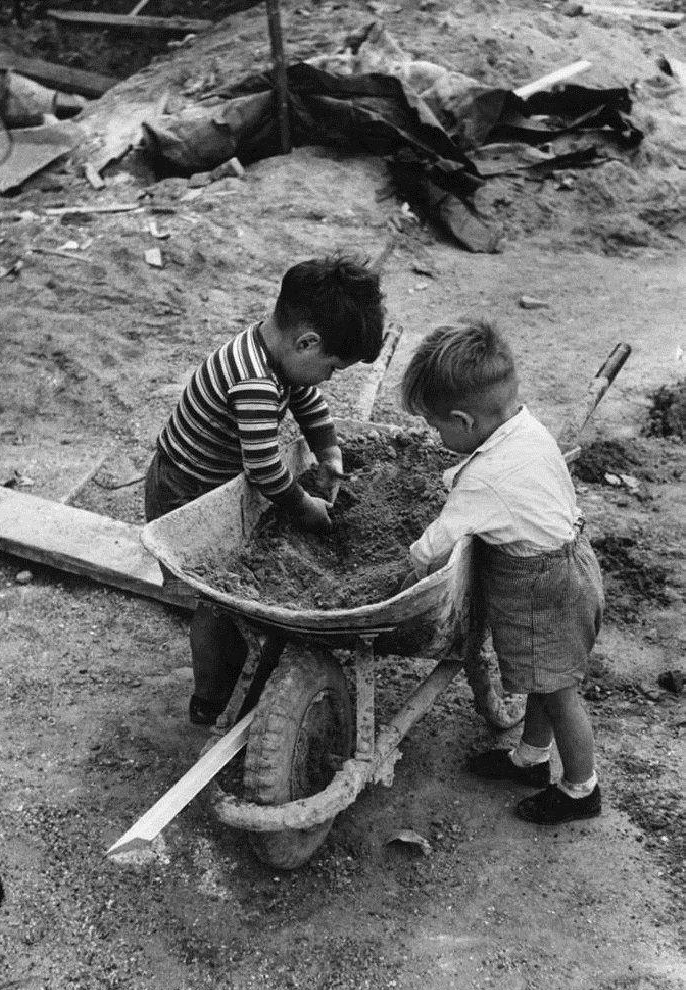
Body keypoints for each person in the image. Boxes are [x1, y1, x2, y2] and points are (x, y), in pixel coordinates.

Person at [145, 254, 386, 727]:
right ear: (307, 342)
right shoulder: (254, 380)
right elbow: (264, 470)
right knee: (216, 604)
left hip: (212, 475)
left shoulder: (275, 352)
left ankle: (236, 650)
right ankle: (211, 700)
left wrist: (329, 454)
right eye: (333, 367)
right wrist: (304, 510)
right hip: (186, 490)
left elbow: (308, 400)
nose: (330, 378)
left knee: (226, 603)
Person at [399, 320, 605, 825]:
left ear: (464, 421)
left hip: (543, 588)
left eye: (435, 425)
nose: (434, 434)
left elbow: (435, 544)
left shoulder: (484, 479)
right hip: (573, 564)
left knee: (558, 692)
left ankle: (581, 789)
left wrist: (406, 576)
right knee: (544, 678)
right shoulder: (528, 429)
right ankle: (531, 759)